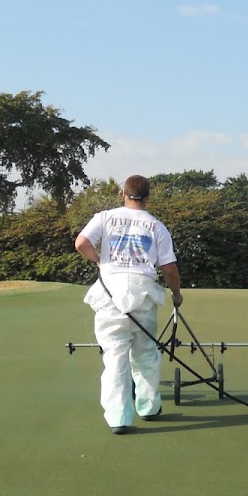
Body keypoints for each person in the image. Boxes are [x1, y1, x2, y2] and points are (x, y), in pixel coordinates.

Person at [75, 175, 183, 434]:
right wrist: (176, 295)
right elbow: (168, 267)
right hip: (142, 295)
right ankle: (148, 408)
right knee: (145, 354)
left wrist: (99, 262)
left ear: (123, 193)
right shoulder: (156, 225)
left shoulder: (104, 217)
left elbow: (81, 243)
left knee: (114, 358)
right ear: (148, 196)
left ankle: (119, 418)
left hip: (109, 295)